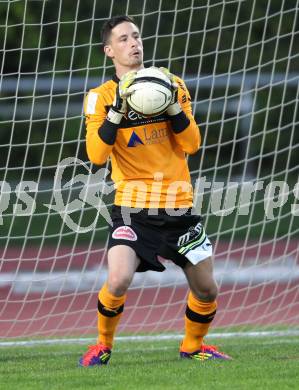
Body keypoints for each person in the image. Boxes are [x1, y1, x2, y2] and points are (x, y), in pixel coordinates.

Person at [79, 15, 231, 366]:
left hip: (178, 205)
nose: (133, 43)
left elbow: (192, 144)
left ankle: (193, 346)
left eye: (136, 36)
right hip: (132, 208)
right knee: (117, 279)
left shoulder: (172, 84)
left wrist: (173, 106)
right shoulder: (100, 98)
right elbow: (96, 157)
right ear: (109, 50)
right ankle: (102, 345)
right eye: (123, 39)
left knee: (207, 290)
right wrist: (117, 113)